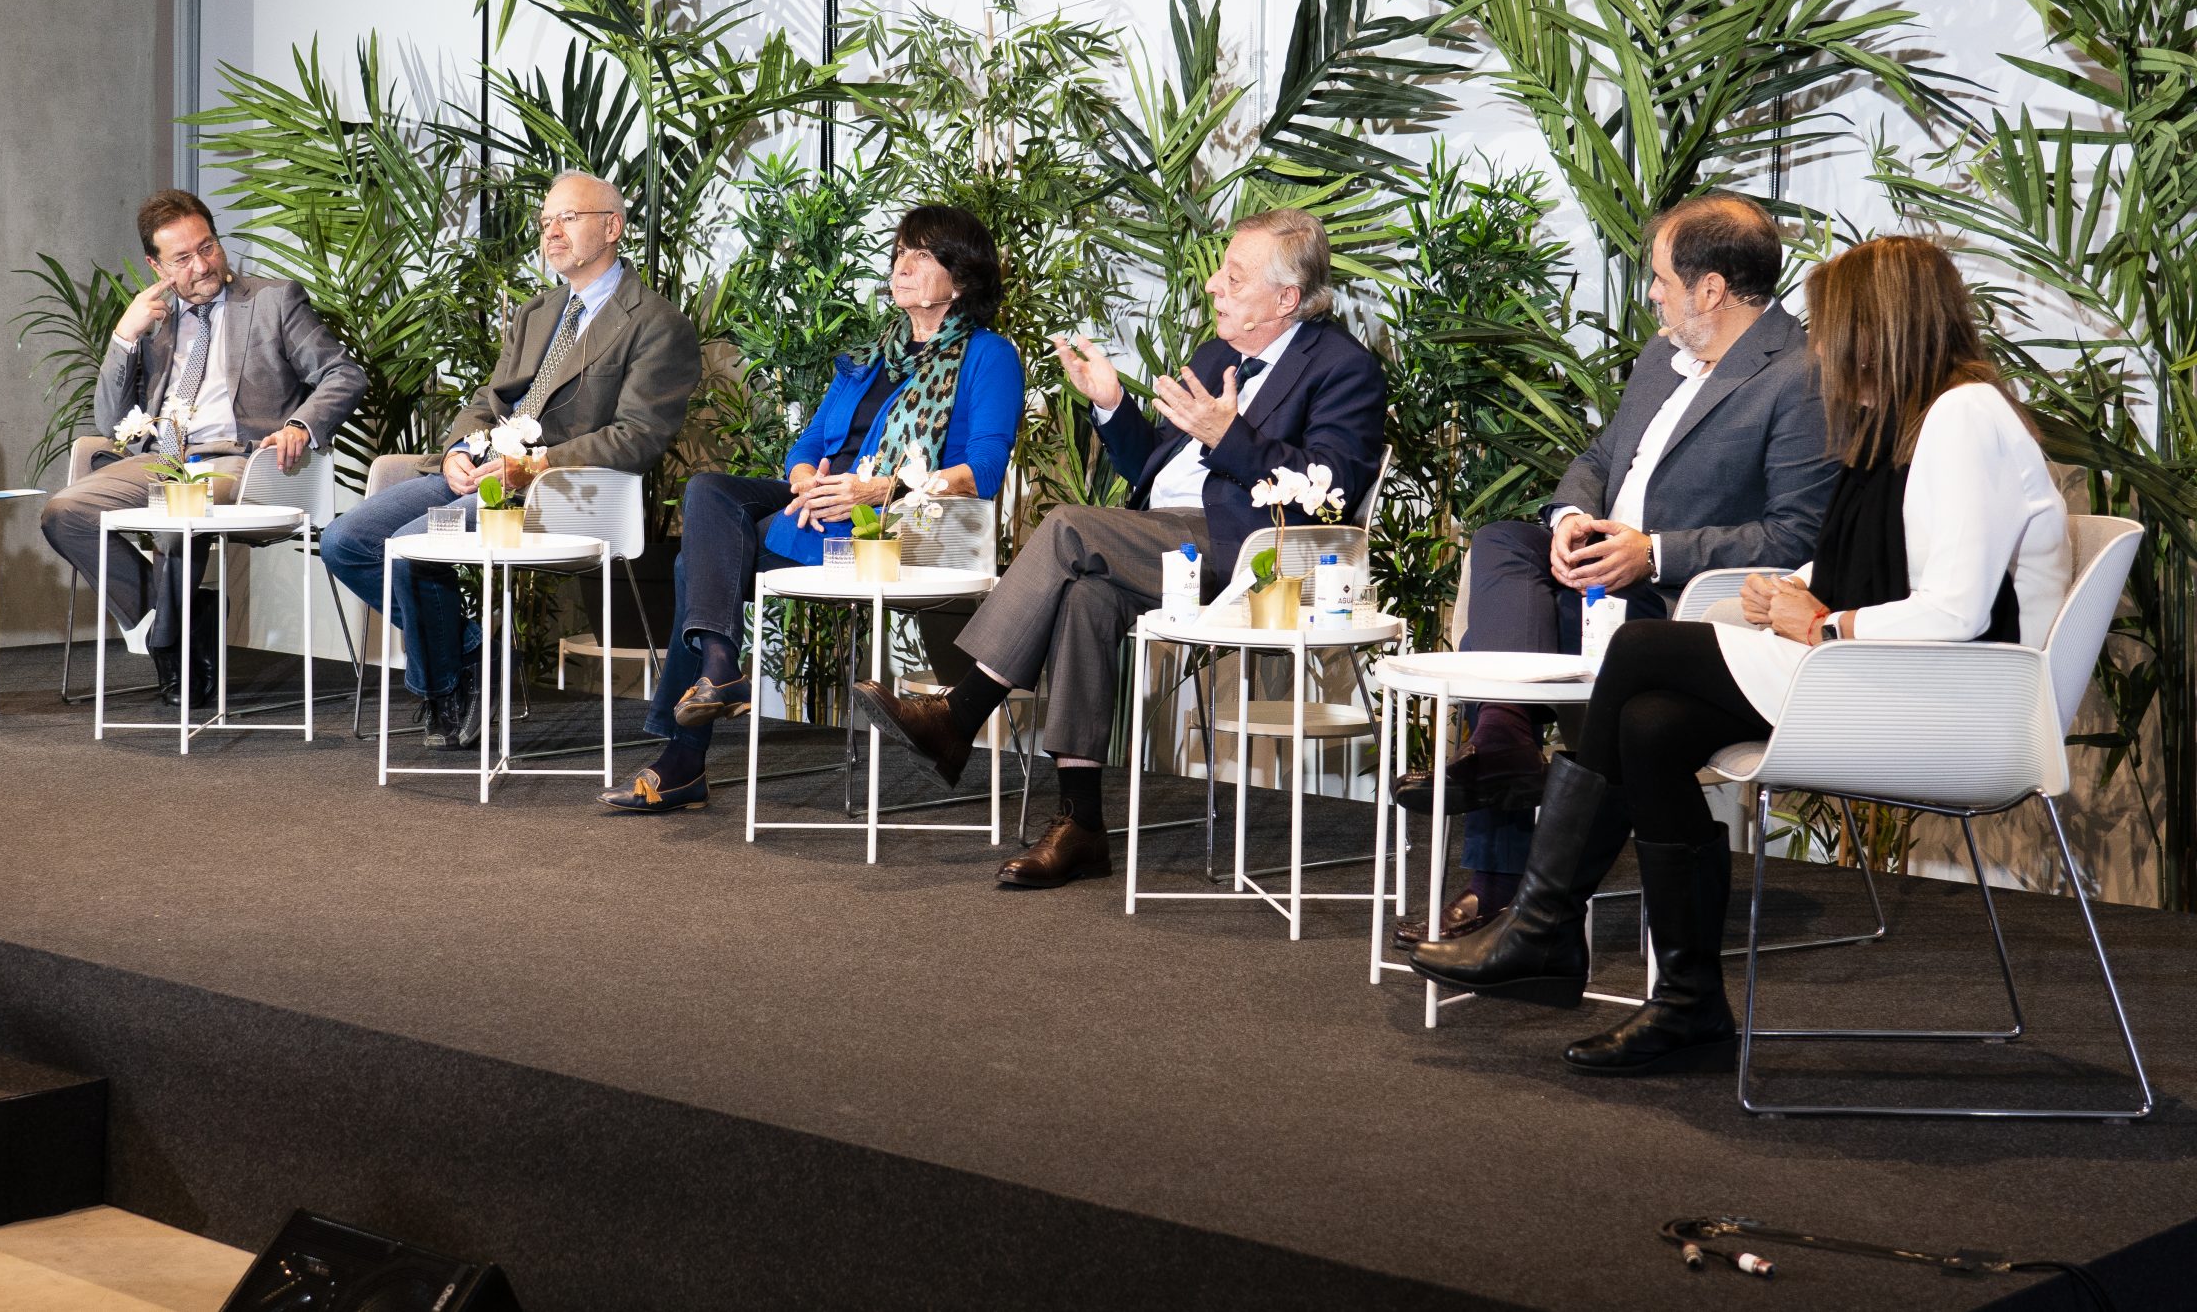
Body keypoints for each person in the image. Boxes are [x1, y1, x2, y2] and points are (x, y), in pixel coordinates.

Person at [1410, 235, 2072, 1074]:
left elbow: (1956, 612)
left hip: (1954, 703)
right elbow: (1879, 562)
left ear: (1881, 324)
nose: (1820, 347)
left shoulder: (1965, 416)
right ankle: (1684, 1002)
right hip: (1886, 675)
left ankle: (1543, 926)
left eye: (1832, 326)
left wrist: (1821, 624)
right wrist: (1787, 588)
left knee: (1645, 650)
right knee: (1650, 724)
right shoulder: (1907, 418)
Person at [851, 208, 1386, 887]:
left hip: (1253, 552)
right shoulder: (1219, 354)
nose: (1214, 286)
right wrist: (1110, 405)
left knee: (1070, 526)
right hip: (1168, 540)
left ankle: (960, 713)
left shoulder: (1343, 368)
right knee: (1086, 593)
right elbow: (1151, 470)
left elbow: (1329, 490)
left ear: (1285, 298)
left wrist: (1231, 438)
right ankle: (1080, 824)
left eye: (1233, 275)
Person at [1391, 193, 1838, 948]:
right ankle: (1503, 743)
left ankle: (1501, 876)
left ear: (1711, 289)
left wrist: (1652, 550)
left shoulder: (1796, 375)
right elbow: (1601, 458)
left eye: (1662, 278)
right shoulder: (1663, 357)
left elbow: (1793, 534)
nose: (1654, 294)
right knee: (1504, 542)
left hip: (1679, 610)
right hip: (1600, 570)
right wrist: (1570, 522)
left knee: (1510, 641)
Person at [598, 204, 1022, 813]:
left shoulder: (988, 356)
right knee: (709, 490)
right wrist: (806, 481)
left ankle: (688, 747)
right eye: (899, 252)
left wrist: (875, 490)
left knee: (697, 566)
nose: (902, 265)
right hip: (819, 507)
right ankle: (718, 666)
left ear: (961, 280)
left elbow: (981, 471)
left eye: (921, 255)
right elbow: (807, 447)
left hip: (892, 528)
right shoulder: (868, 356)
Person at [323, 172, 701, 750]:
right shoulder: (536, 312)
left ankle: (440, 687)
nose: (551, 231)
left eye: (567, 219)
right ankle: (475, 651)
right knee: (346, 542)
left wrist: (536, 464)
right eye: (546, 220)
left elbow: (638, 437)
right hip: (482, 474)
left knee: (415, 548)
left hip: (561, 492)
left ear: (612, 226)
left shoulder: (656, 324)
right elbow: (489, 401)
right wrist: (455, 450)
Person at [40, 190, 366, 705]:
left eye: (207, 247)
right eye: (182, 258)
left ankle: (170, 648)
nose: (202, 265)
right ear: (156, 265)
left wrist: (301, 425)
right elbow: (110, 420)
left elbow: (343, 375)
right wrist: (124, 336)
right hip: (161, 458)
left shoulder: (273, 301)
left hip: (244, 461)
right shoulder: (156, 319)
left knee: (178, 511)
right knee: (64, 512)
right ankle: (186, 619)